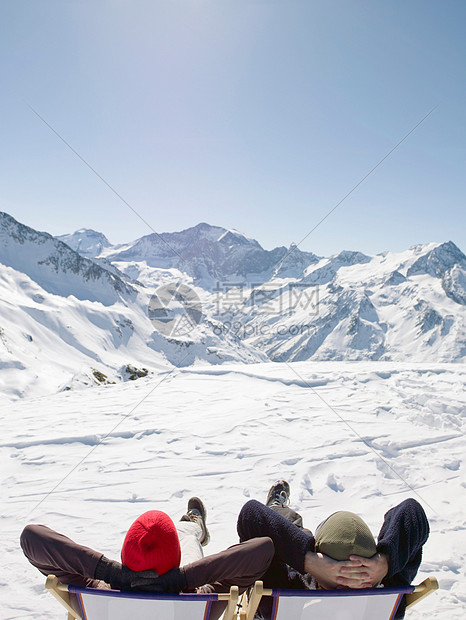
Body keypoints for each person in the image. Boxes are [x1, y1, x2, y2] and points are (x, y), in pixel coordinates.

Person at [238, 480, 430, 619]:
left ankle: (276, 508)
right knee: (293, 531)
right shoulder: (386, 593)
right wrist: (387, 561)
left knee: (291, 528)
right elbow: (413, 512)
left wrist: (308, 560)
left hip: (301, 569)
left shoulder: (291, 588)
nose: (346, 589)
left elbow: (251, 516)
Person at [20, 496, 274, 598]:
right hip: (180, 585)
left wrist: (111, 574)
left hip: (115, 592)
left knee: (182, 536)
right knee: (186, 538)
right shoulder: (198, 599)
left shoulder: (96, 593)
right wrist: (182, 578)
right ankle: (192, 526)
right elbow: (263, 550)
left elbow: (32, 537)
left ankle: (190, 526)